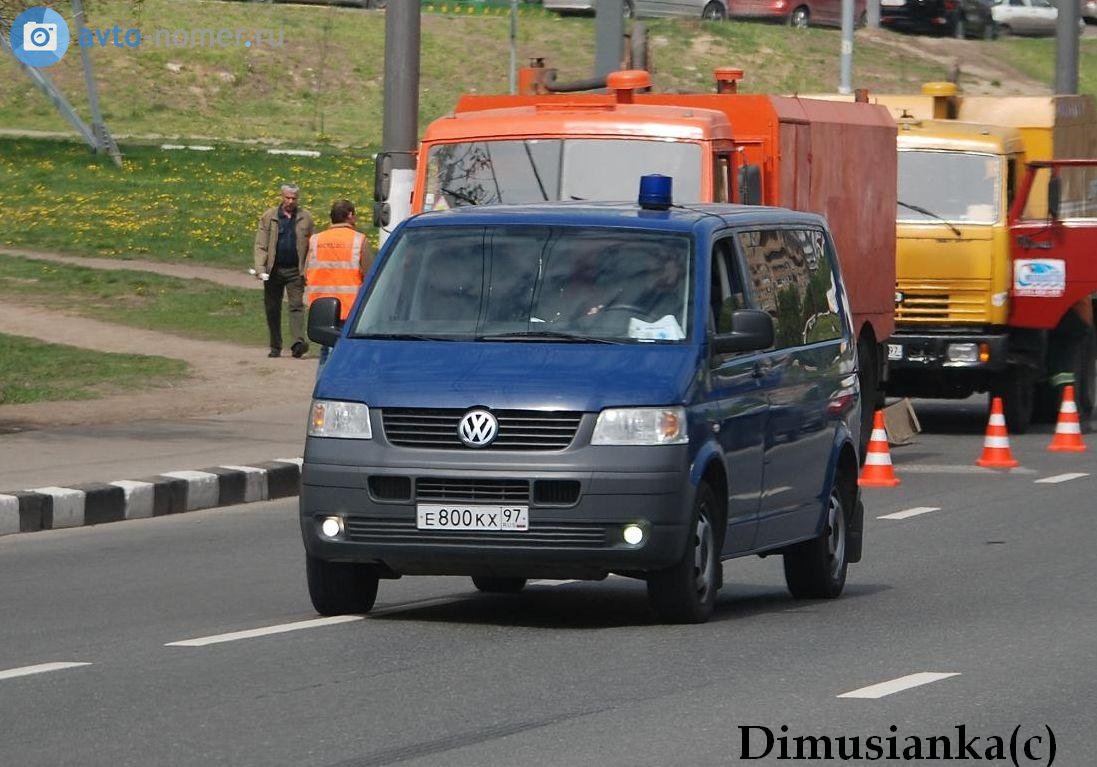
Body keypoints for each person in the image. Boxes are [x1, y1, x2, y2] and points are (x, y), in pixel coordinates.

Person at [304, 199, 373, 366]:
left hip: (321, 308)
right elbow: (370, 275)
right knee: (344, 354)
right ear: (350, 215)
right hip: (348, 307)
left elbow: (306, 271)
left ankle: (322, 386)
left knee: (326, 352)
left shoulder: (316, 240)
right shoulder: (358, 241)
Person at [254, 184, 314, 358]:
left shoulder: (306, 218)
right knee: (272, 308)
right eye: (287, 198)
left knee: (296, 306)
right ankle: (275, 345)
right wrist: (260, 268)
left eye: (294, 198)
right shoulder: (269, 216)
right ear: (281, 197)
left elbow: (311, 246)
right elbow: (261, 245)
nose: (290, 201)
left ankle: (297, 343)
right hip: (273, 270)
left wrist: (309, 269)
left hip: (296, 270)